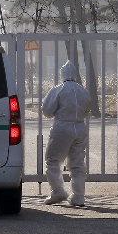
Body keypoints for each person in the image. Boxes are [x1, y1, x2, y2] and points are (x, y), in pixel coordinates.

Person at [41, 60, 90, 207]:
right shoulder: (83, 90)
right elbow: (87, 109)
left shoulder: (58, 89)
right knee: (77, 163)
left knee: (53, 160)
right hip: (80, 127)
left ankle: (58, 190)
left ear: (61, 74)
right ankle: (79, 196)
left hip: (62, 126)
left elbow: (47, 111)